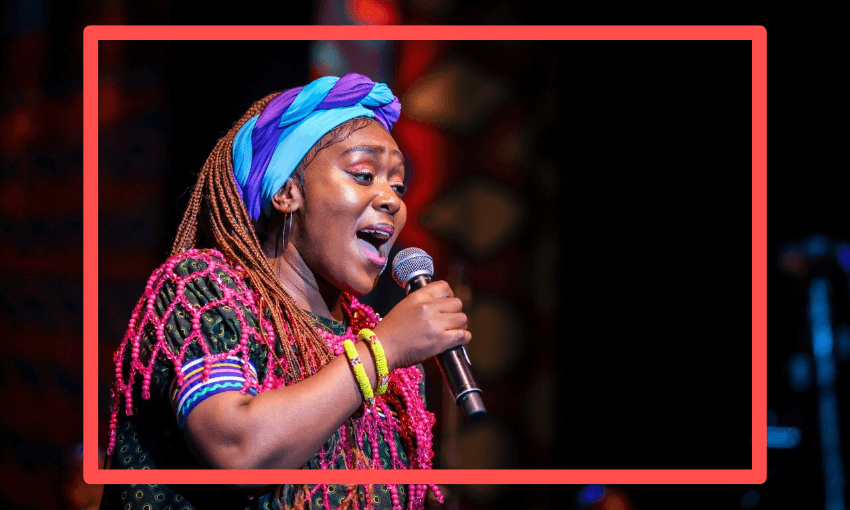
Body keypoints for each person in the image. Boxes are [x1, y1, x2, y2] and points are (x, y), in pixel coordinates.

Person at [99, 73, 471, 510]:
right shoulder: (206, 289)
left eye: (398, 184)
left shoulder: (396, 370)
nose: (391, 199)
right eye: (364, 174)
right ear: (286, 191)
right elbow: (236, 453)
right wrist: (380, 352)